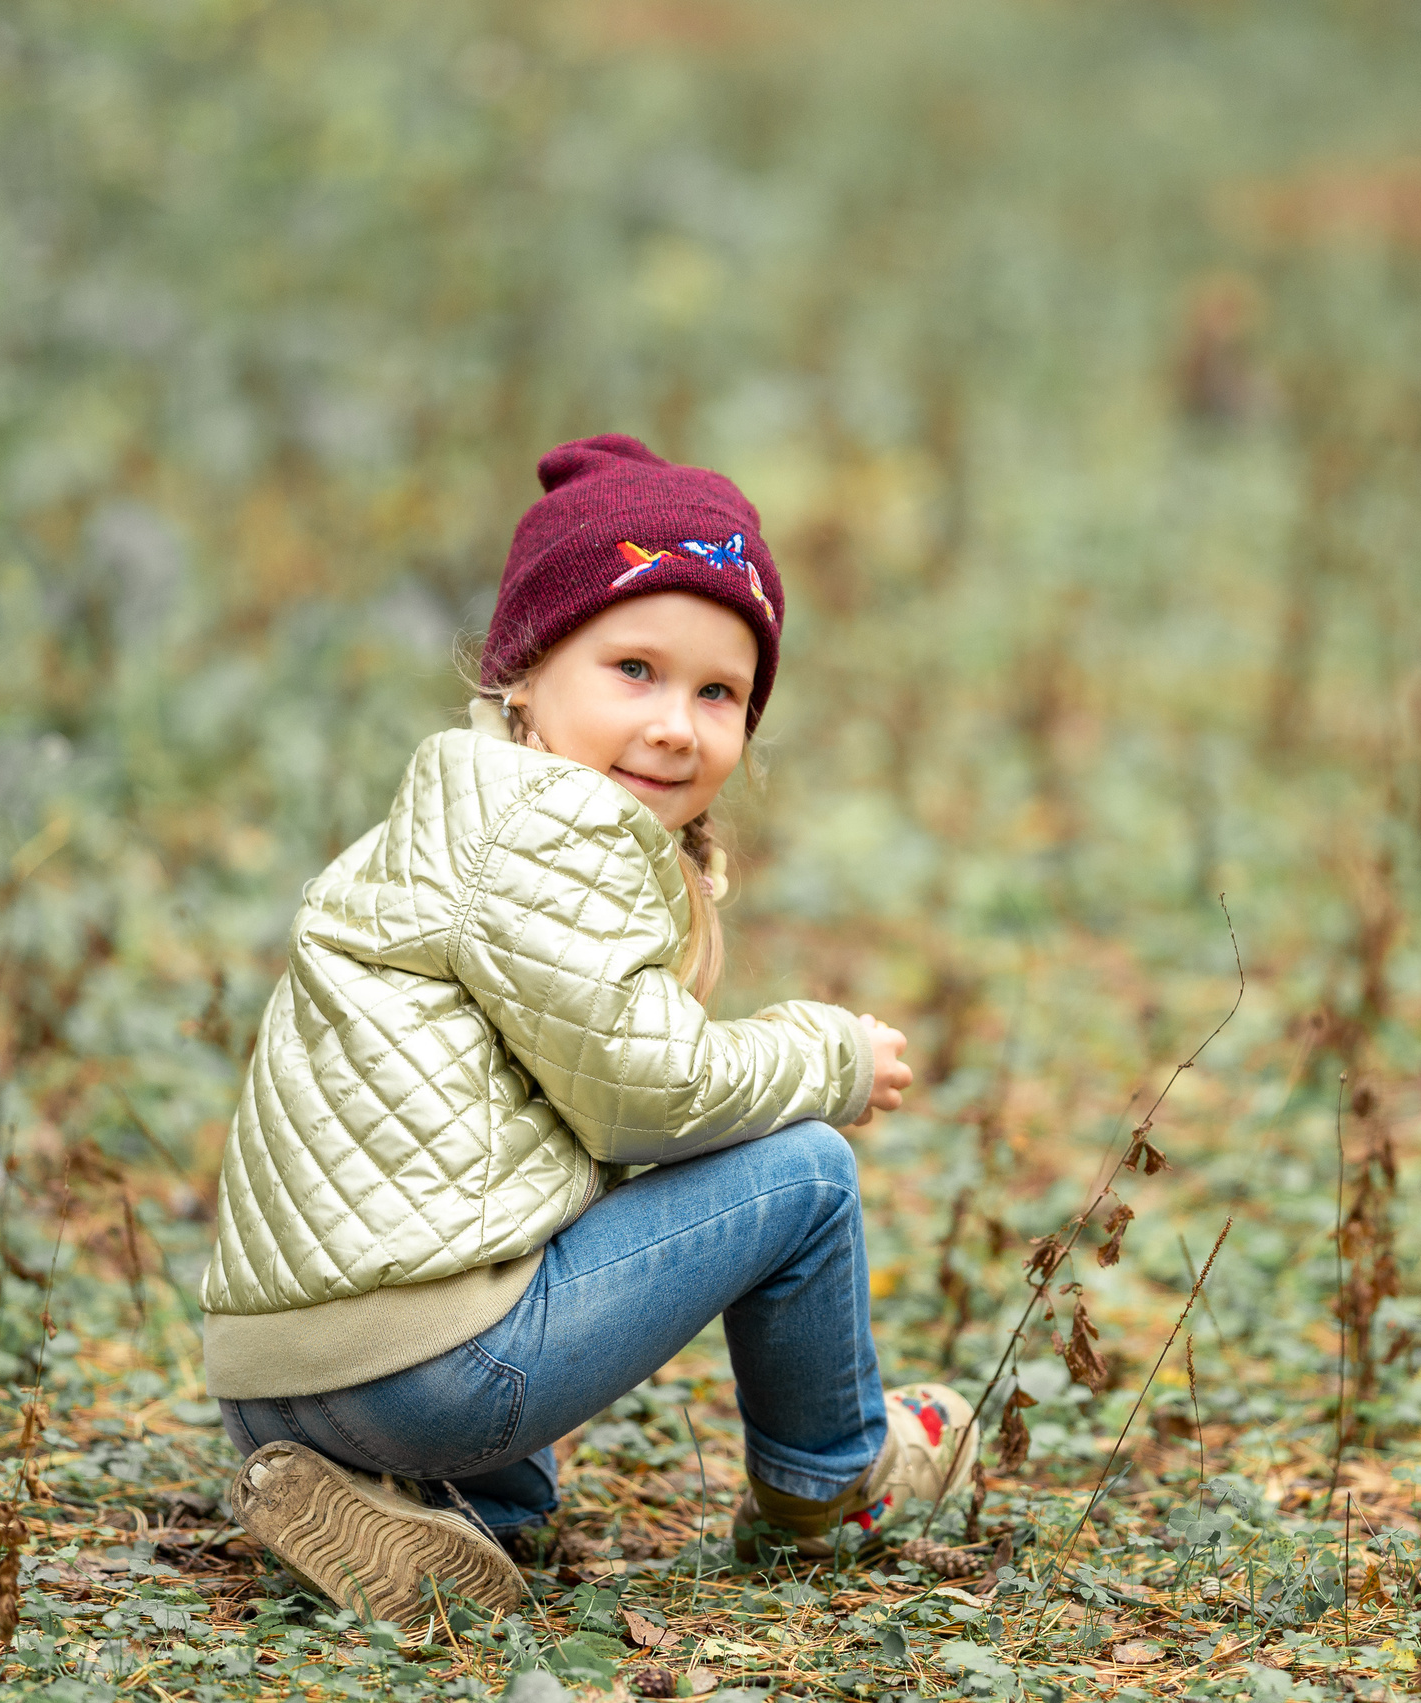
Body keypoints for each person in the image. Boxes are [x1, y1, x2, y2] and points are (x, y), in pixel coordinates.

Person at [202, 435, 979, 1627]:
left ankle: (442, 1519)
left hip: (280, 1375)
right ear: (524, 670)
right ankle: (831, 1486)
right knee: (807, 1174)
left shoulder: (462, 809)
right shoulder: (550, 831)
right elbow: (639, 1094)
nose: (676, 724)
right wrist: (826, 1058)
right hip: (426, 1370)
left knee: (521, 1237)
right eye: (634, 668)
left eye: (718, 693)